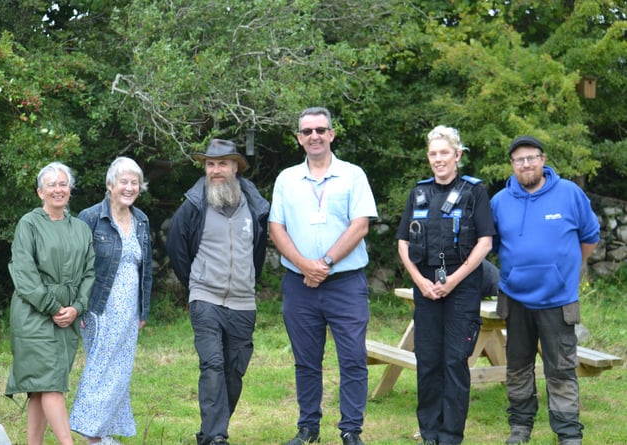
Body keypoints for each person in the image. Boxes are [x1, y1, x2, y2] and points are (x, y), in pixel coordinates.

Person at [269, 107, 378, 445]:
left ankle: (350, 430)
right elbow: (276, 228)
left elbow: (360, 225)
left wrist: (325, 262)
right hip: (300, 284)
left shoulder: (353, 175)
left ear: (332, 134)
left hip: (345, 284)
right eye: (307, 131)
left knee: (353, 359)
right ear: (299, 139)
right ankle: (308, 428)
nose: (314, 136)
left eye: (320, 129)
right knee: (306, 360)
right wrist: (305, 265)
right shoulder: (287, 179)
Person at [491, 136, 600, 445]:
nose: (526, 164)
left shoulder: (569, 194)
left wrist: (569, 270)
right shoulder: (499, 201)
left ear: (543, 159)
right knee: (518, 368)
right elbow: (494, 245)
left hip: (558, 299)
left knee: (561, 369)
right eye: (519, 160)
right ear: (512, 165)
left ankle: (567, 433)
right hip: (515, 299)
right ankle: (520, 428)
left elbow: (590, 236)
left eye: (532, 158)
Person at [166, 139, 270, 445]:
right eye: (210, 164)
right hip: (205, 299)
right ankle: (215, 437)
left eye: (222, 164)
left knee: (233, 373)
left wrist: (247, 282)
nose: (215, 170)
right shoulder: (193, 205)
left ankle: (209, 431)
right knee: (211, 365)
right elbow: (176, 247)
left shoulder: (255, 206)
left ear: (235, 167)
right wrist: (196, 283)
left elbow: (259, 252)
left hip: (242, 302)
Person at [396, 125, 495, 445]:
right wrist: (419, 281)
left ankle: (451, 435)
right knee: (427, 361)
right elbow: (401, 243)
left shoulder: (474, 191)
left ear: (458, 155)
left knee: (454, 361)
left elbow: (484, 242)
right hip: (425, 284)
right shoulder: (419, 192)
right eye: (433, 153)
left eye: (444, 153)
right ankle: (430, 433)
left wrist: (453, 280)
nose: (439, 159)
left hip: (462, 284)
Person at [6, 162, 96, 445]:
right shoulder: (29, 224)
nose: (58, 189)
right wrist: (53, 307)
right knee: (52, 386)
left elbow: (89, 272)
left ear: (69, 190)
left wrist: (76, 308)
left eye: (63, 184)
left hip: (67, 318)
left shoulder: (81, 228)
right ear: (40, 192)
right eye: (51, 185)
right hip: (34, 316)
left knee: (40, 388)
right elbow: (24, 273)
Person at [69, 157, 153, 444]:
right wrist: (77, 304)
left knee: (120, 371)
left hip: (130, 309)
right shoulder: (91, 217)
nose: (130, 188)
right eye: (124, 182)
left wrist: (144, 309)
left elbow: (146, 269)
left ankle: (102, 432)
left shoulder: (141, 219)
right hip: (98, 307)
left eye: (135, 183)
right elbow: (75, 265)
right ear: (110, 185)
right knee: (100, 367)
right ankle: (91, 432)